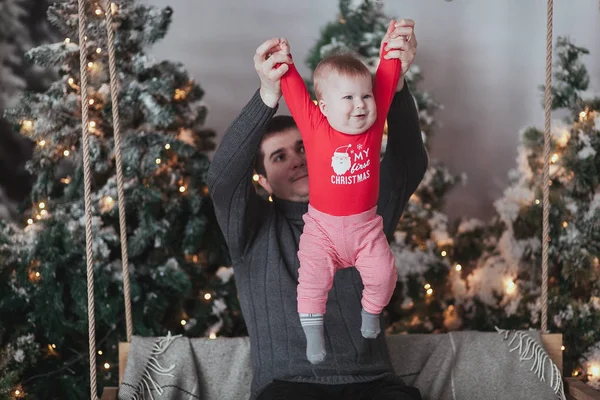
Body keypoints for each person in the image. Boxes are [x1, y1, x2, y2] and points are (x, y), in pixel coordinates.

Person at [207, 19, 427, 400]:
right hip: (290, 387)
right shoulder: (252, 229)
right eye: (278, 156)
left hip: (373, 384)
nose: (296, 160)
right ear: (261, 180)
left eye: (302, 147)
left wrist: (398, 82)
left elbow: (408, 162)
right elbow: (223, 178)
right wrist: (266, 94)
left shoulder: (368, 211)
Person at [278, 20, 404, 365]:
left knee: (384, 274)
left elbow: (388, 78)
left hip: (366, 229)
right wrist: (283, 63)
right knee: (312, 284)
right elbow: (294, 92)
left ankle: (370, 313)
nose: (361, 105)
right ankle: (313, 337)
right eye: (348, 98)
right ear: (324, 107)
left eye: (365, 96)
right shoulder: (314, 125)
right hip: (322, 230)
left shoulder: (373, 125)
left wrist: (392, 45)